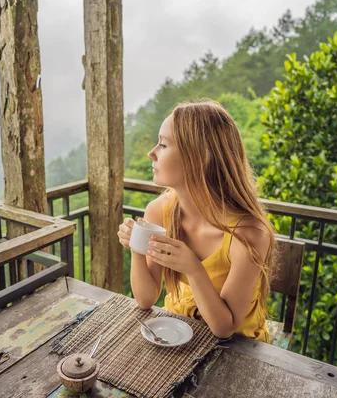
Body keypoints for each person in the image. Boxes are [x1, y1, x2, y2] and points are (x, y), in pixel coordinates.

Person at [117, 100, 276, 342]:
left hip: (240, 349)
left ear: (199, 158)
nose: (151, 153)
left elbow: (225, 328)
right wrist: (137, 247)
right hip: (177, 334)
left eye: (163, 144)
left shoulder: (248, 234)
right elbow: (145, 299)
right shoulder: (159, 211)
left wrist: (193, 268)